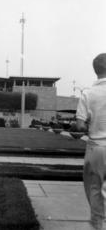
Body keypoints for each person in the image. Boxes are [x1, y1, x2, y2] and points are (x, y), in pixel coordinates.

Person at [76, 53, 106, 230]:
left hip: (96, 148)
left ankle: (98, 224)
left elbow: (80, 126)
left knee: (94, 189)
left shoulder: (88, 93)